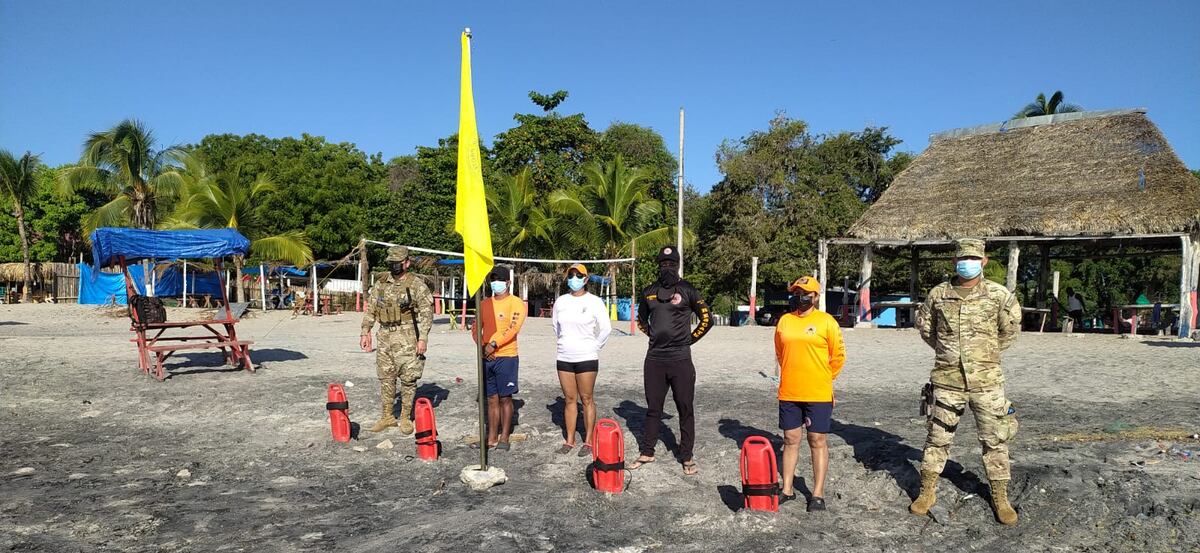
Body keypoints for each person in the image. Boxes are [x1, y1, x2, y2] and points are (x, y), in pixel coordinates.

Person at [913, 238, 1023, 525]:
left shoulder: (1000, 296)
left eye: (975, 258)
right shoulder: (938, 295)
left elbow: (1009, 332)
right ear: (954, 262)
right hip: (947, 381)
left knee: (995, 440)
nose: (969, 263)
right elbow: (926, 329)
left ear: (984, 261)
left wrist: (983, 355)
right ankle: (927, 491)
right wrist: (950, 352)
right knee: (937, 439)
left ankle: (1000, 496)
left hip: (987, 383)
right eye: (964, 258)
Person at [630, 245, 713, 475]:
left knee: (685, 408)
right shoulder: (649, 292)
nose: (667, 267)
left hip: (681, 360)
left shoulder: (688, 290)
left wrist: (688, 339)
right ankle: (647, 451)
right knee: (653, 408)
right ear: (659, 265)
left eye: (671, 264)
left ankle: (686, 456)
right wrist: (655, 336)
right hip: (655, 359)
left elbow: (708, 320)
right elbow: (641, 320)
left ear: (677, 265)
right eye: (663, 264)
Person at [773, 276, 845, 512]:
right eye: (796, 292)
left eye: (805, 293)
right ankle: (787, 489)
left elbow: (838, 357)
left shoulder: (827, 322)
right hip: (789, 391)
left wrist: (823, 377)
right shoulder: (784, 321)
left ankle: (817, 494)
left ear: (815, 296)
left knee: (817, 440)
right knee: (790, 439)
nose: (800, 296)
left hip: (818, 393)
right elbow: (780, 353)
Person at [359, 246, 434, 435]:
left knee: (408, 379)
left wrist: (423, 339)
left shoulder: (415, 284)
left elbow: (426, 313)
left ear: (406, 263)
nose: (394, 267)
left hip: (407, 336)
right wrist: (365, 331)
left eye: (398, 263)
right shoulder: (381, 283)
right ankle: (387, 416)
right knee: (386, 378)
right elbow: (371, 309)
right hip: (384, 336)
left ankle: (405, 418)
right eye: (391, 263)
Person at [551, 263, 612, 456]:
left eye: (578, 275)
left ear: (586, 279)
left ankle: (588, 440)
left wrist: (595, 346)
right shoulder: (561, 301)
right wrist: (564, 343)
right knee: (570, 399)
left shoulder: (594, 301)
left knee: (586, 398)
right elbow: (556, 327)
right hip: (564, 356)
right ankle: (569, 440)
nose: (574, 279)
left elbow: (606, 328)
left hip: (587, 356)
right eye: (571, 275)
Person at [473, 268, 526, 450]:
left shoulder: (516, 303)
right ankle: (491, 437)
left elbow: (513, 328)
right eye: (493, 279)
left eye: (500, 280)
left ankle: (504, 437)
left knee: (505, 398)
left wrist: (494, 344)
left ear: (508, 283)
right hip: (487, 356)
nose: (496, 283)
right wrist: (482, 347)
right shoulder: (485, 303)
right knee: (491, 399)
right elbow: (475, 328)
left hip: (507, 356)